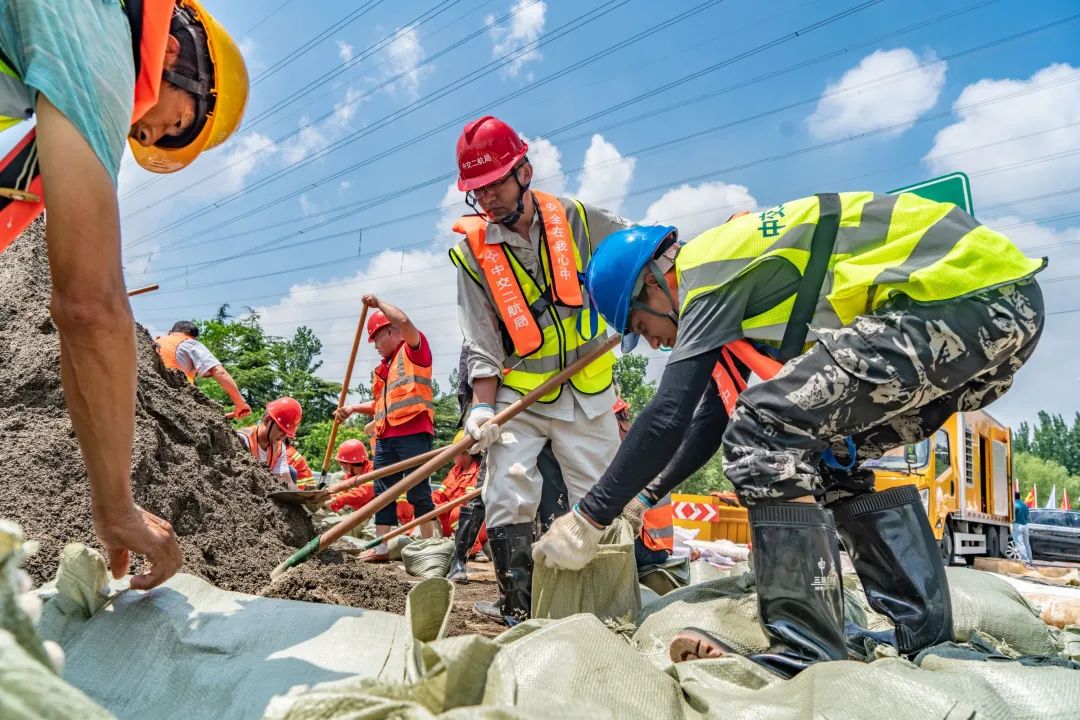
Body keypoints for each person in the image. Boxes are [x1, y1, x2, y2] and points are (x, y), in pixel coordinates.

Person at [534, 191, 1046, 677]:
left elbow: (668, 415)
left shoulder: (705, 275)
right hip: (1000, 309)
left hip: (960, 297)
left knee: (760, 427)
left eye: (641, 326)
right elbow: (707, 421)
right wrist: (643, 495)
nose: (652, 342)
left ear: (654, 283)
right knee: (825, 455)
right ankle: (922, 629)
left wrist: (588, 518)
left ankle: (805, 646)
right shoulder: (735, 295)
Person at [0, 0, 248, 591]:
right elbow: (89, 308)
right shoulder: (102, 32)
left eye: (156, 135)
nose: (144, 129)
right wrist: (116, 506)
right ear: (182, 56)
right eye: (176, 124)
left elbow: (75, 322)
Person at [450, 115, 629, 625]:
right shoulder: (472, 254)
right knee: (506, 488)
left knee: (602, 496)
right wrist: (481, 409)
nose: (487, 201)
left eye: (495, 185)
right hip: (519, 396)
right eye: (477, 192)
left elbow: (642, 257)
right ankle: (520, 612)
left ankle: (604, 611)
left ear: (524, 171)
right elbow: (480, 340)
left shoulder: (579, 219)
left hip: (589, 391)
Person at [335, 295, 436, 560]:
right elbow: (381, 403)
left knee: (418, 490)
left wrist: (378, 303)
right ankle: (381, 546)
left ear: (391, 331)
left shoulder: (414, 349)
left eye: (377, 339)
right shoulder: (384, 369)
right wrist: (354, 409)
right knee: (383, 492)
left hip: (413, 432)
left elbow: (404, 320)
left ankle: (428, 546)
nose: (376, 346)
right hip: (386, 436)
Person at [155, 320, 251, 418]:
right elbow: (219, 372)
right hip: (176, 400)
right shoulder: (189, 343)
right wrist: (240, 404)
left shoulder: (153, 342)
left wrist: (226, 417)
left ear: (170, 332)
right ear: (194, 337)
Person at [237, 398, 302, 487]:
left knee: (291, 472)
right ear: (267, 421)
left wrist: (302, 498)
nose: (283, 436)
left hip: (260, 488)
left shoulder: (279, 447)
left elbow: (286, 480)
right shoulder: (243, 439)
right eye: (280, 429)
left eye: (286, 432)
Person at [1013, 490, 1033, 566]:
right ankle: (1030, 560)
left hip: (1018, 525)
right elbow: (1028, 516)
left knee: (1020, 544)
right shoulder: (1024, 505)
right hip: (1025, 525)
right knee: (1027, 544)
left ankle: (1025, 560)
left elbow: (1013, 517)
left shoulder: (1014, 504)